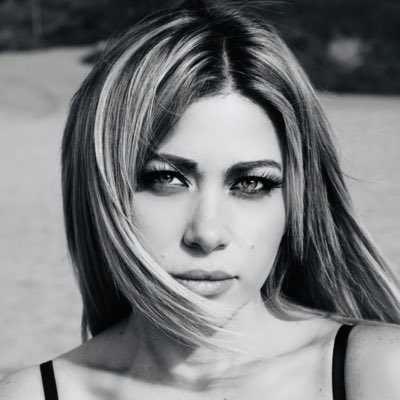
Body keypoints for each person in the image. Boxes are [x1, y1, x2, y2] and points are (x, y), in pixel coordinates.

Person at [1, 1, 400, 399]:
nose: (207, 235)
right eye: (166, 179)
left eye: (251, 184)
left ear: (296, 203)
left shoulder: (375, 372)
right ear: (100, 191)